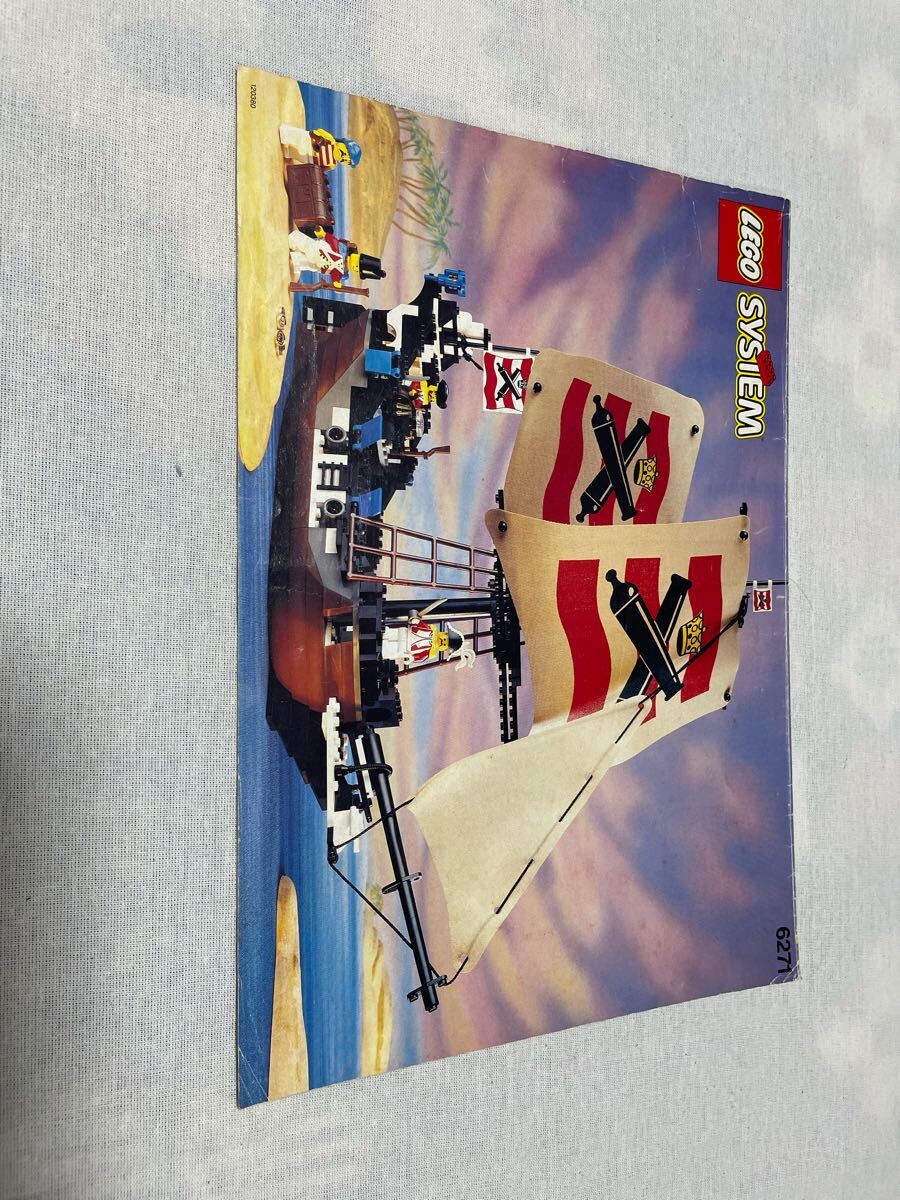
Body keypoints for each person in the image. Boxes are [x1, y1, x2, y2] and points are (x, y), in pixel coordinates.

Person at [279, 124, 362, 170]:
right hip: (308, 142)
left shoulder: (333, 164)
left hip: (310, 159)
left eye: (348, 162)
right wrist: (319, 140)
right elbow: (316, 132)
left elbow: (322, 169)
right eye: (348, 160)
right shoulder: (330, 141)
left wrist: (317, 168)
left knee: (297, 154)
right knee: (298, 137)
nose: (345, 159)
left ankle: (288, 151)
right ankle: (285, 134)